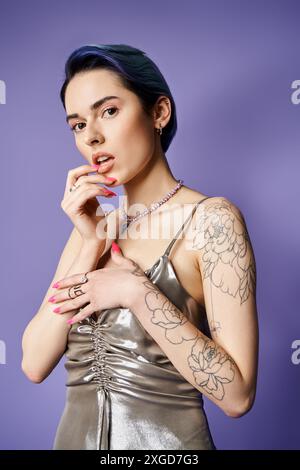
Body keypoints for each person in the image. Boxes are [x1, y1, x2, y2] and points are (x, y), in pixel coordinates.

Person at [21, 44, 259, 450]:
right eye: (78, 125)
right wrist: (90, 243)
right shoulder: (92, 230)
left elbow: (237, 396)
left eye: (109, 111)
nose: (93, 136)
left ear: (159, 112)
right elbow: (34, 362)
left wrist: (136, 292)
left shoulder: (211, 220)